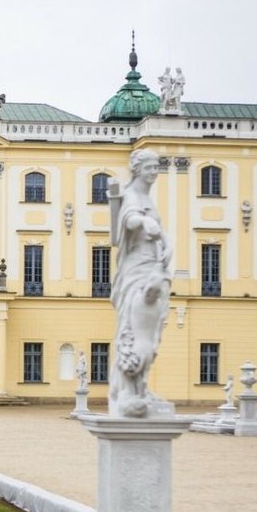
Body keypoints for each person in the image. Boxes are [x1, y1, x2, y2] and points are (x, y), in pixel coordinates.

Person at [108, 150, 172, 417]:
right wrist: (144, 221)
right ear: (137, 168)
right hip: (136, 269)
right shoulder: (133, 195)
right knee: (133, 330)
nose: (154, 171)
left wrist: (166, 244)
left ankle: (140, 386)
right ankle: (126, 390)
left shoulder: (146, 196)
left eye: (156, 166)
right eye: (149, 167)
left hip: (152, 267)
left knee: (151, 333)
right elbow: (128, 219)